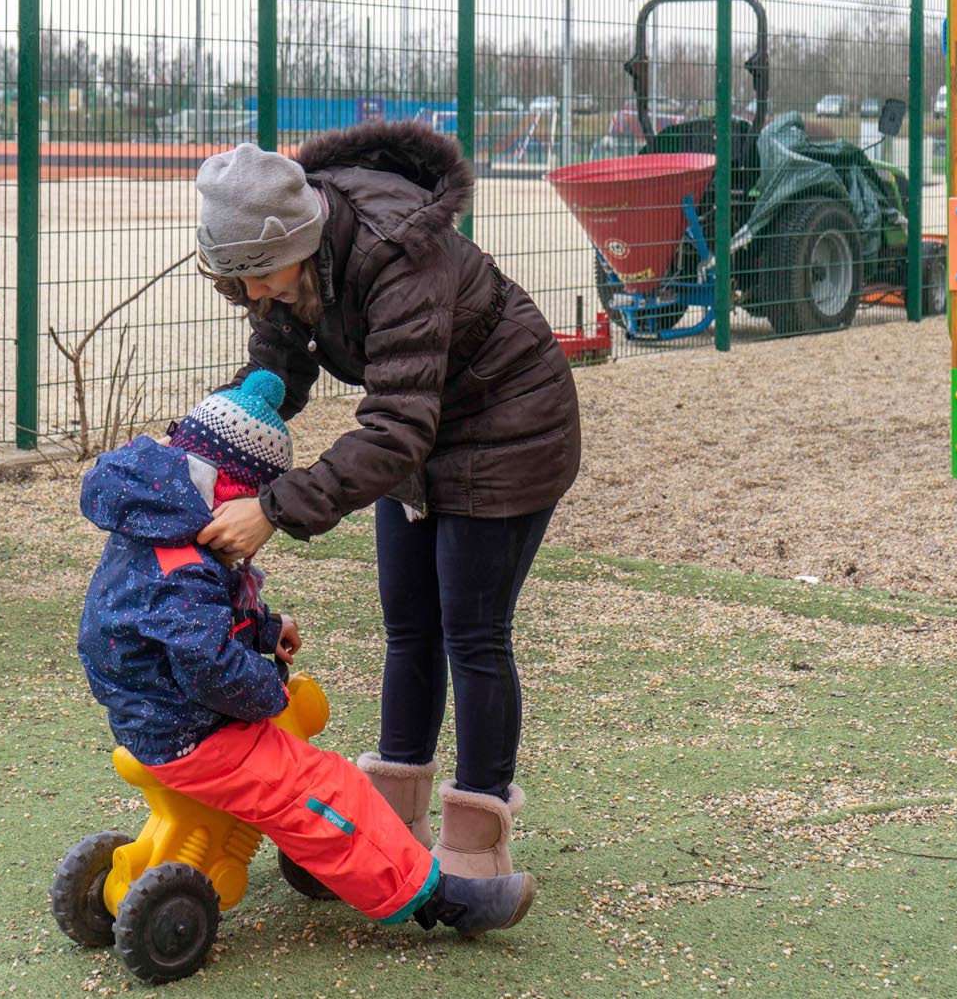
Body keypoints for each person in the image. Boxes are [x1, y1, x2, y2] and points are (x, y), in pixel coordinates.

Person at [192, 121, 582, 878]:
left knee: (470, 631)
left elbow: (398, 427)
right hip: (425, 426)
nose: (256, 298)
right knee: (409, 626)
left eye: (263, 279)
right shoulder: (288, 264)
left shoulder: (399, 250)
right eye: (241, 286)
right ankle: (389, 827)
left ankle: (477, 841)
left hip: (510, 426)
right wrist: (216, 444)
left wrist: (272, 510)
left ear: (299, 242)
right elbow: (279, 361)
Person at [76, 370, 537, 936]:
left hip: (145, 719)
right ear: (231, 490)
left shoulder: (152, 529)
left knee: (300, 783)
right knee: (331, 789)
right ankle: (438, 898)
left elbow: (175, 622)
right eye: (254, 501)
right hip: (194, 732)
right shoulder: (185, 571)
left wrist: (265, 629)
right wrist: (269, 692)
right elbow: (207, 662)